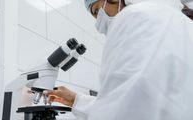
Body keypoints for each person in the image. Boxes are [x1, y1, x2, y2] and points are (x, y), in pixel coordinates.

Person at [44, 0, 193, 120]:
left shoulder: (134, 16)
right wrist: (76, 100)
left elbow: (124, 109)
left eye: (96, 11)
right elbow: (144, 98)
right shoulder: (179, 21)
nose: (98, 23)